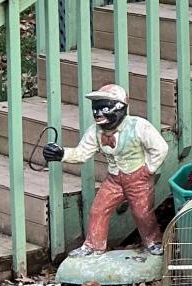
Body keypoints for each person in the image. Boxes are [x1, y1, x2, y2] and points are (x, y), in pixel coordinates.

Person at [46, 83, 169, 255]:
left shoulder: (139, 126)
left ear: (120, 108)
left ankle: (153, 241)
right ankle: (93, 245)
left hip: (138, 178)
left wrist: (148, 169)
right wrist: (61, 153)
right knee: (98, 210)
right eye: (95, 109)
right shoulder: (95, 132)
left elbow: (160, 148)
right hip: (114, 179)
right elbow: (82, 153)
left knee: (142, 213)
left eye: (104, 108)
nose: (98, 114)